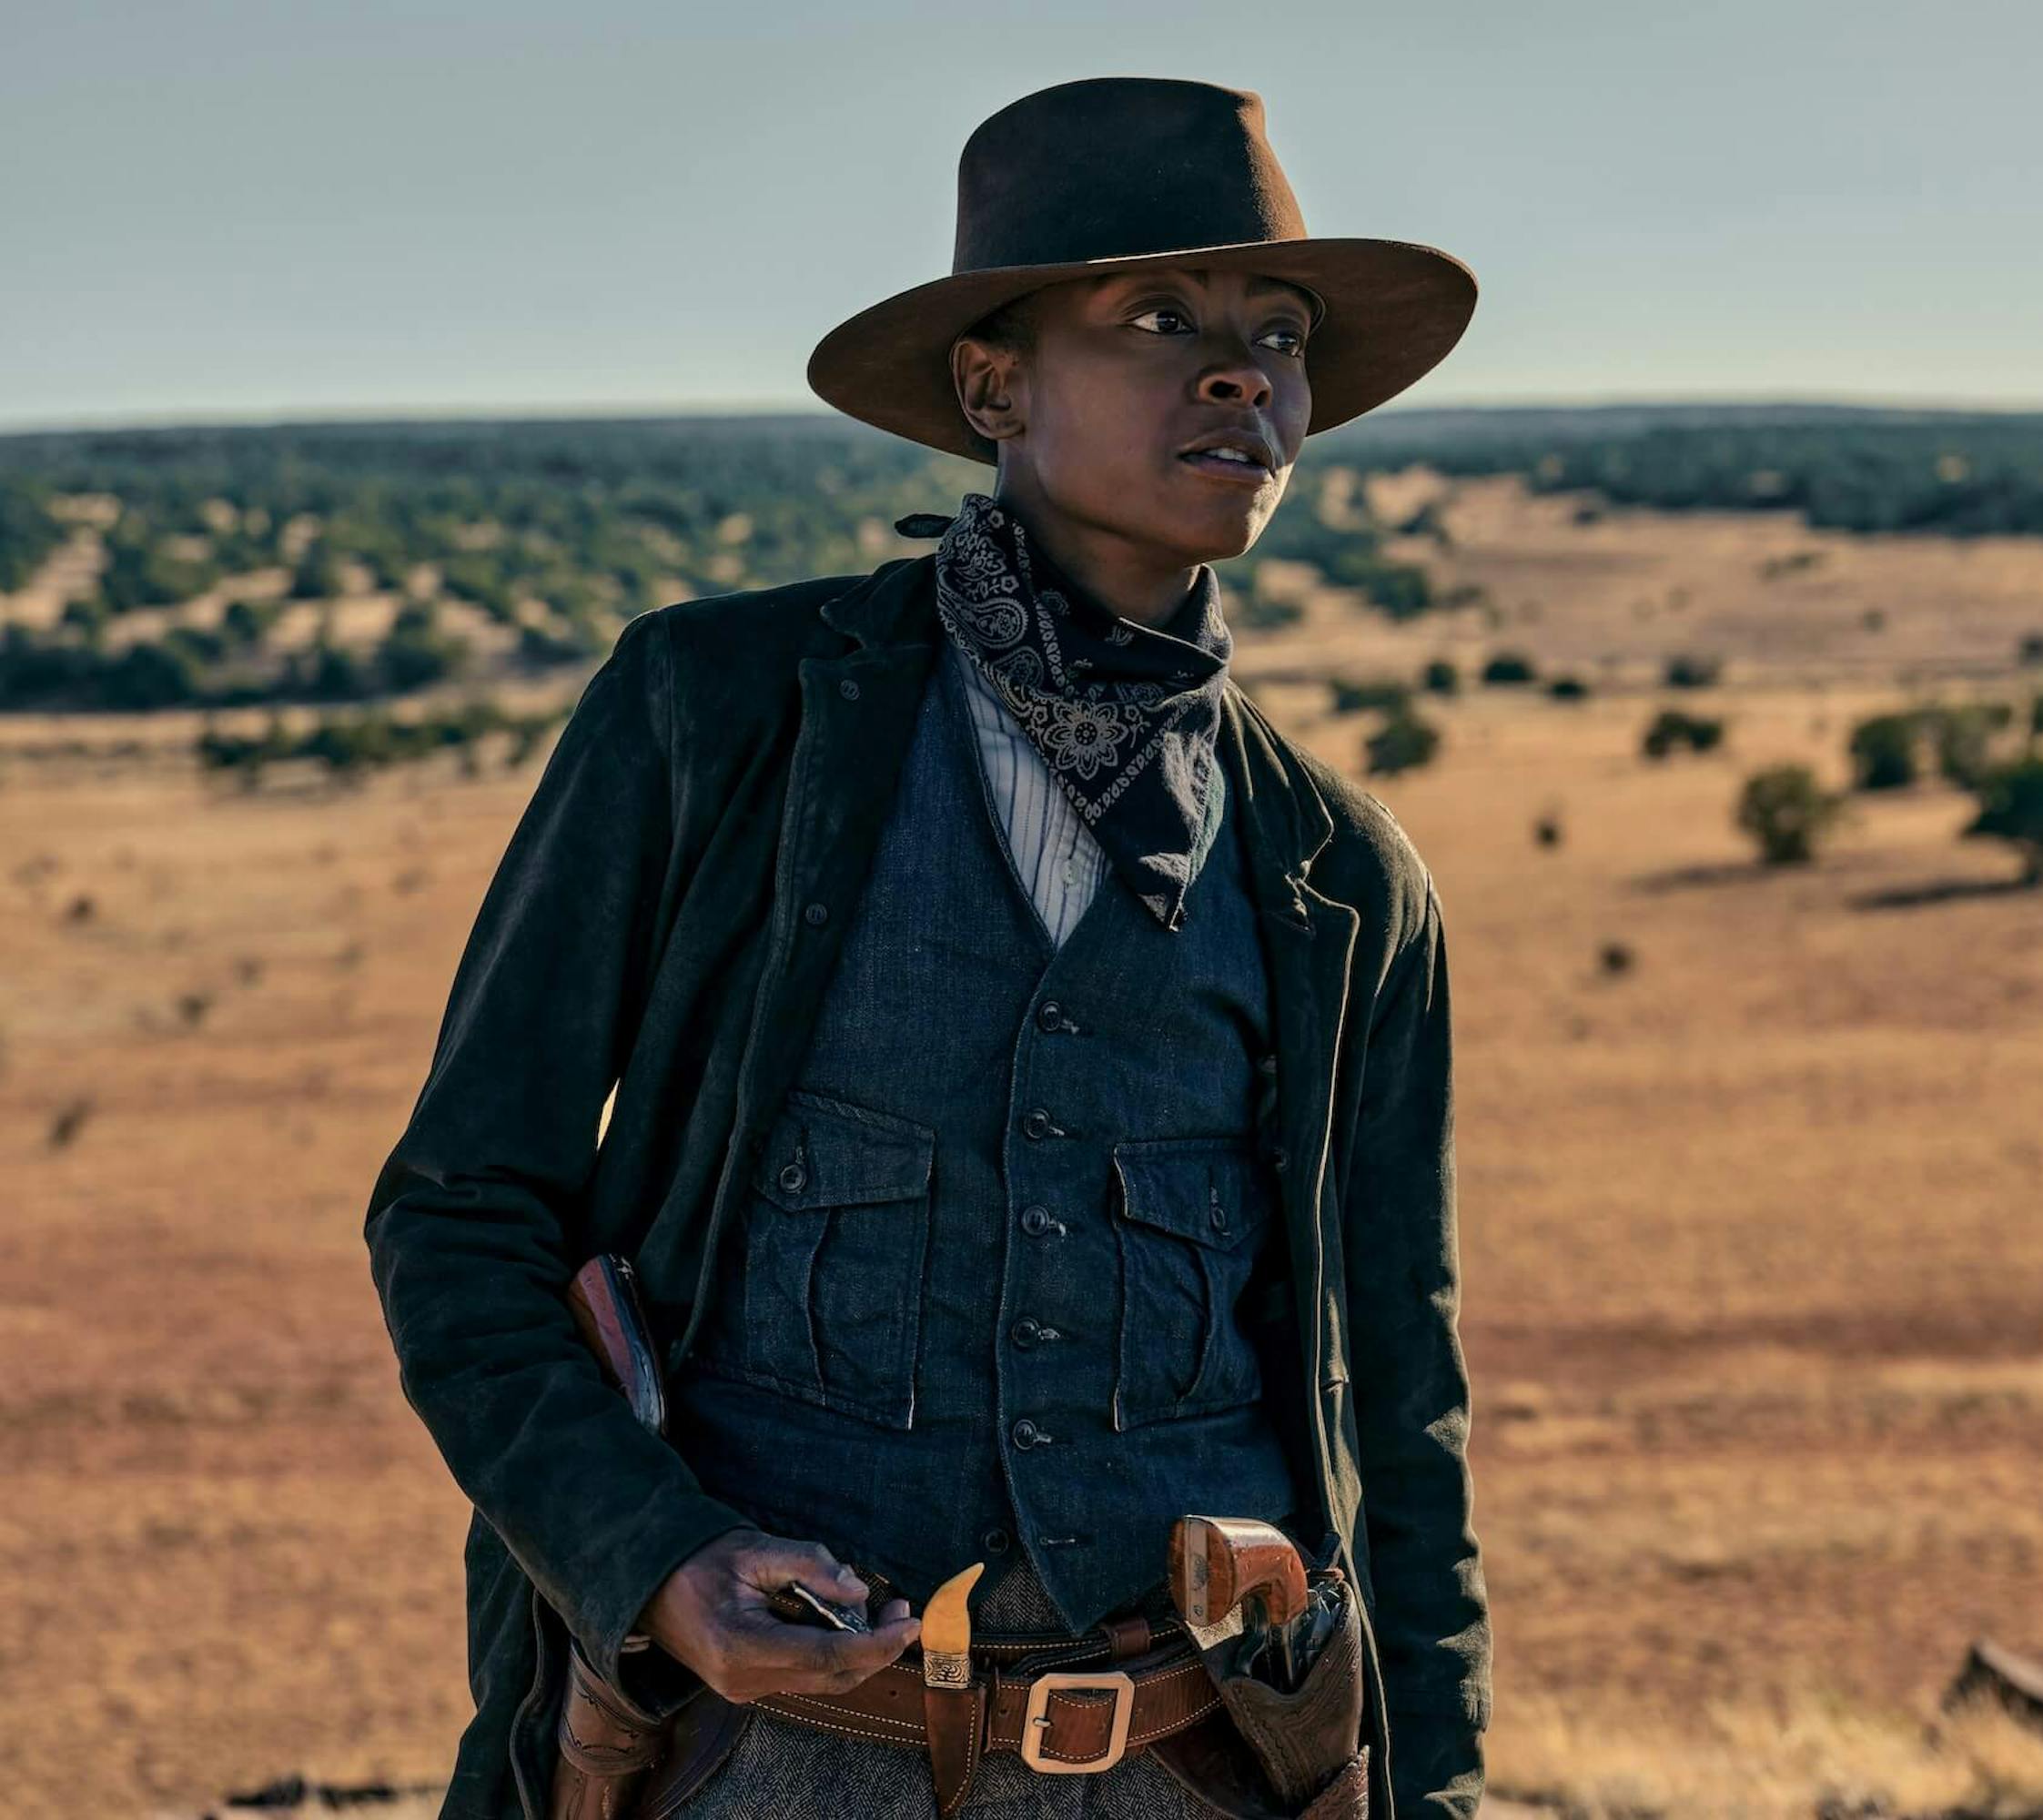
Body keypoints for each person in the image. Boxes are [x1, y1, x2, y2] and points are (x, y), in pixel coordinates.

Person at [365, 75, 1489, 1819]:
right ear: (990, 386)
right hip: (761, 1768)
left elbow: (1397, 1418)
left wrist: (1438, 1793)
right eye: (1156, 317)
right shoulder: (715, 717)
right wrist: (653, 1556)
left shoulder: (1343, 878)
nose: (1241, 373)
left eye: (1278, 333)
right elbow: (459, 1217)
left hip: (1196, 1774)